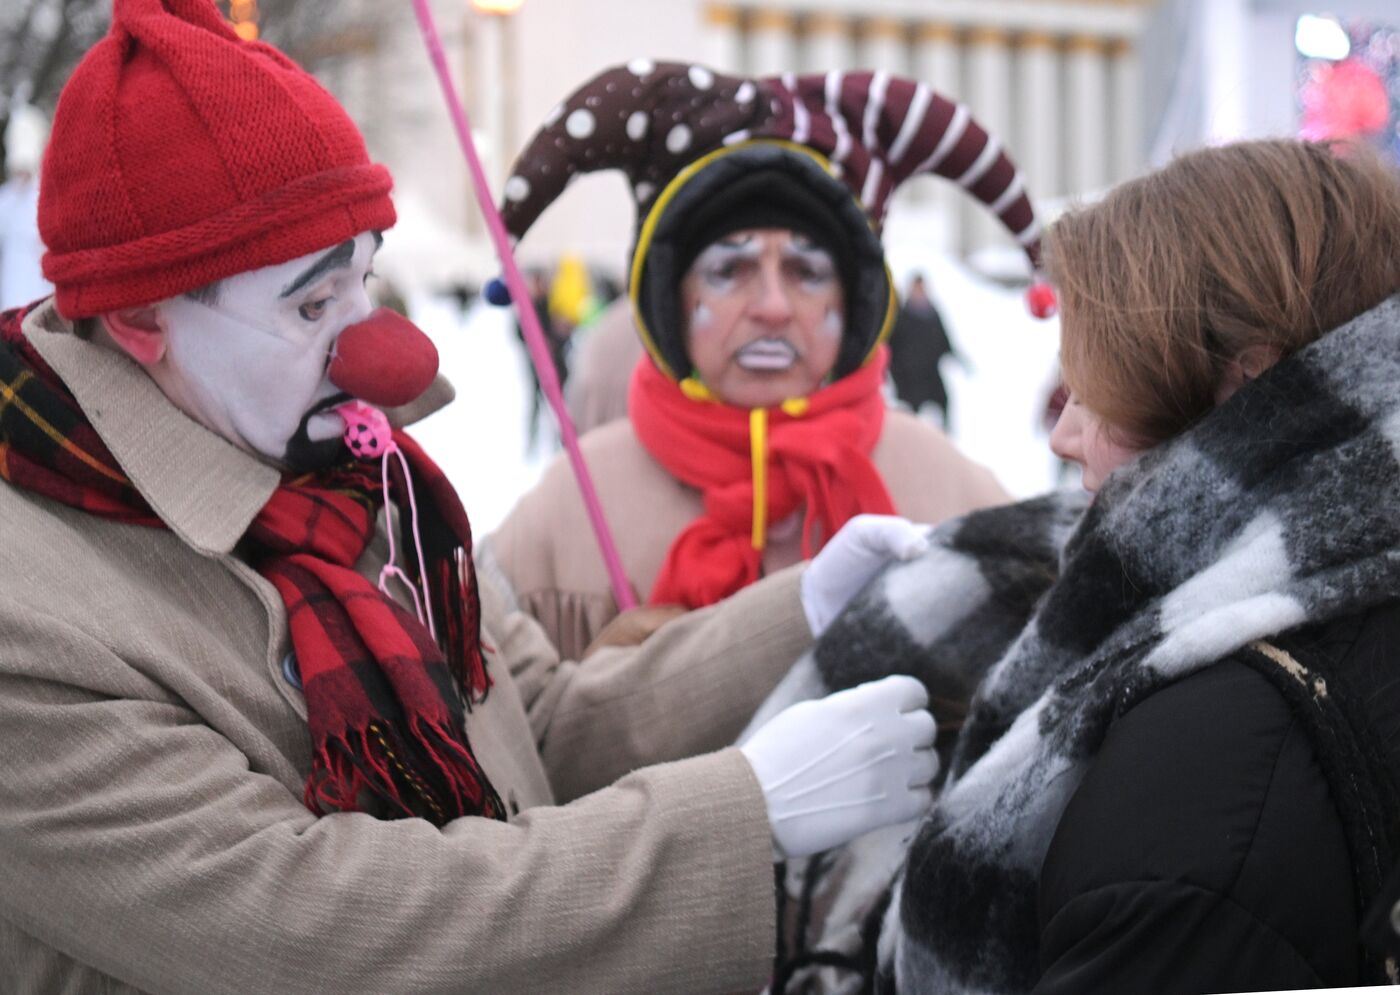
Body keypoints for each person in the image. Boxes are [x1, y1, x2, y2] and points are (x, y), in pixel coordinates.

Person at [0, 4, 948, 991]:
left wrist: (798, 617)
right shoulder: (26, 618)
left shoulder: (374, 485)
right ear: (143, 318)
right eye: (311, 303)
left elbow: (532, 727)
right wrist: (739, 817)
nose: (377, 352)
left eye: (366, 282)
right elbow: (312, 926)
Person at [751, 137, 1400, 993]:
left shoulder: (1191, 777)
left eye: (1096, 388)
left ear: (1246, 397)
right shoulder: (1348, 565)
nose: (1061, 435)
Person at [486, 61, 1051, 660]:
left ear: (852, 300)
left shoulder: (953, 493)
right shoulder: (572, 504)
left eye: (807, 272)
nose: (774, 307)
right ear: (672, 300)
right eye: (731, 269)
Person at [887, 273, 959, 425]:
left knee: (943, 401)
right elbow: (892, 345)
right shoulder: (902, 316)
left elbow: (944, 339)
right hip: (908, 376)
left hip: (930, 373)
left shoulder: (932, 313)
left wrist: (955, 355)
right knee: (909, 413)